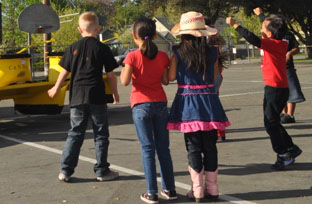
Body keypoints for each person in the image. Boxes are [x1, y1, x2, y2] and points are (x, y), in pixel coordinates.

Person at [48, 11, 120, 183]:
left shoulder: (73, 47)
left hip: (78, 97)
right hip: (97, 96)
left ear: (80, 29)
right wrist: (115, 94)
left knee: (75, 133)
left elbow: (64, 71)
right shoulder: (102, 48)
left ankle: (65, 171)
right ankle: (102, 171)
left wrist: (55, 88)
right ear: (98, 29)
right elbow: (111, 75)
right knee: (101, 134)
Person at [227, 14, 302, 170]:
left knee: (270, 124)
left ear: (269, 33)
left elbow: (252, 39)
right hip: (279, 88)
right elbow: (261, 35)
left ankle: (282, 154)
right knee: (273, 121)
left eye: (263, 26)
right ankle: (291, 148)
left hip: (274, 89)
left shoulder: (272, 44)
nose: (260, 28)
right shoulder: (280, 43)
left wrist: (235, 25)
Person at [168, 12, 229, 202]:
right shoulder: (213, 51)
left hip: (188, 102)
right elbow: (213, 77)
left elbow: (170, 77)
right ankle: (213, 188)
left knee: (193, 147)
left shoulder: (178, 52)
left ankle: (197, 190)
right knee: (210, 146)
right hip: (209, 101)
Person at [120, 17, 176, 203]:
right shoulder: (162, 56)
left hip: (140, 104)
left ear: (135, 36)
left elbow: (125, 81)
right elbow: (166, 81)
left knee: (147, 149)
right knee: (163, 149)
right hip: (159, 103)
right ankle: (169, 189)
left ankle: (151, 192)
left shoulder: (132, 56)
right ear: (154, 35)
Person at [253, 8, 304, 124]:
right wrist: (260, 15)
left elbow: (296, 47)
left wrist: (289, 53)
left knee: (291, 91)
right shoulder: (274, 36)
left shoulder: (288, 35)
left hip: (288, 67)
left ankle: (290, 115)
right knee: (281, 94)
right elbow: (266, 24)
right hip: (277, 69)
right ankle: (283, 112)